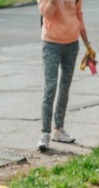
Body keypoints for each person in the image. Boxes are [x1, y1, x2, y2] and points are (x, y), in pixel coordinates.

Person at [37, 0, 92, 152]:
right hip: (51, 43)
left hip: (72, 44)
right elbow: (46, 14)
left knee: (65, 87)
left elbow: (79, 16)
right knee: (51, 87)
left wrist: (87, 44)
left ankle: (58, 130)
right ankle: (45, 133)